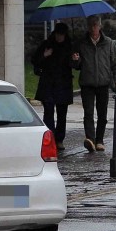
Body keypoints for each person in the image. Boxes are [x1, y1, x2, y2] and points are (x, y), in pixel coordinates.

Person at [72, 14, 116, 152]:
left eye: (95, 25)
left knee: (102, 114)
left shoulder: (109, 43)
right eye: (90, 26)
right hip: (87, 83)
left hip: (103, 83)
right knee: (88, 113)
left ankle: (99, 140)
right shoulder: (82, 44)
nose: (93, 29)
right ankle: (90, 139)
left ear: (99, 26)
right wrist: (76, 60)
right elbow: (76, 66)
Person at [30, 22, 74, 150]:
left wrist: (75, 60)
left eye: (61, 35)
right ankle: (50, 137)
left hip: (63, 84)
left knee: (62, 114)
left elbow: (74, 65)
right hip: (48, 83)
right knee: (48, 111)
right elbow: (35, 60)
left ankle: (59, 139)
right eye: (58, 34)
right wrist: (45, 55)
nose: (59, 37)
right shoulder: (47, 45)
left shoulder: (69, 47)